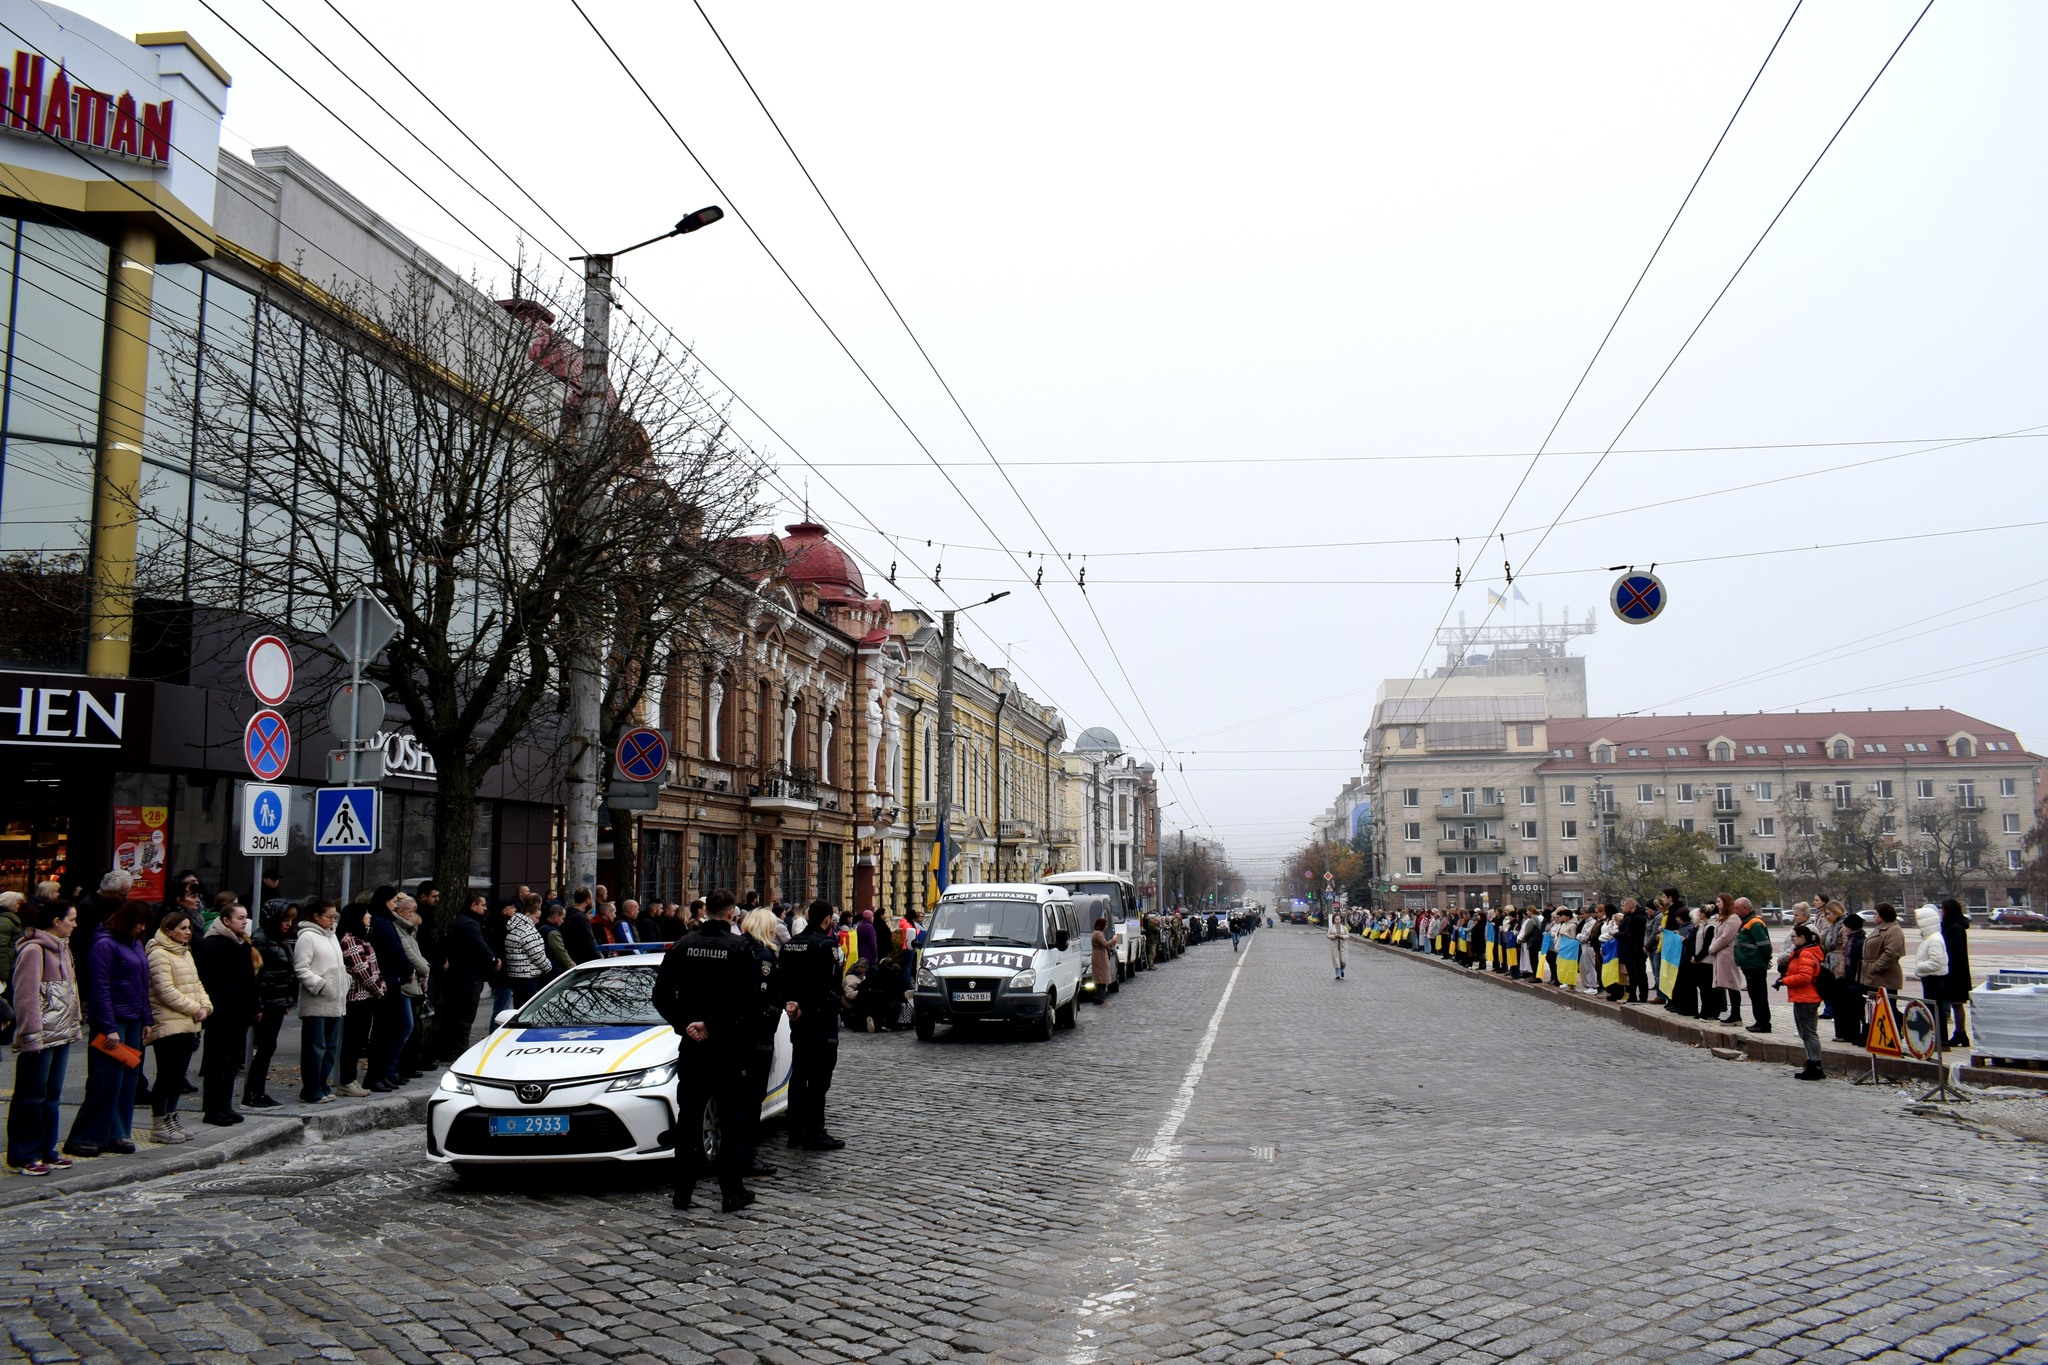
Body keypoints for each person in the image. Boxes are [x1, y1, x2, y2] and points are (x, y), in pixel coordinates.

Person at [652, 889, 758, 1213]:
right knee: (730, 1120)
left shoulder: (682, 947)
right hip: (727, 1046)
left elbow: (661, 995)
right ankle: (731, 1192)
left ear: (706, 911)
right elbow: (748, 999)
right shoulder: (741, 949)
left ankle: (682, 1192)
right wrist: (711, 1023)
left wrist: (687, 1023)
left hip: (694, 1047)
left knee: (689, 1120)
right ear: (731, 915)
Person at [64, 900, 155, 1157]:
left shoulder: (134, 943)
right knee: (107, 1080)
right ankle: (86, 1135)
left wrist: (146, 1018)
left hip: (132, 1019)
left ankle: (117, 1133)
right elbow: (99, 989)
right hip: (113, 1021)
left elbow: (142, 984)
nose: (142, 928)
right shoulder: (105, 944)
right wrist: (108, 1025)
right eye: (139, 922)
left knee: (127, 1080)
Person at [7, 901, 82, 1175]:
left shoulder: (63, 948)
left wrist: (74, 1025)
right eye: (71, 919)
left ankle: (47, 1149)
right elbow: (25, 996)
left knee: (52, 1096)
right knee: (31, 1096)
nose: (74, 924)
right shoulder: (34, 950)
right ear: (55, 921)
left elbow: (71, 992)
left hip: (59, 1033)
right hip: (40, 1036)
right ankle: (22, 1155)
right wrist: (30, 1034)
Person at [146, 909, 212, 1145]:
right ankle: (159, 1122)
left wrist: (205, 1005)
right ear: (169, 930)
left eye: (188, 928)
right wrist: (195, 1008)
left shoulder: (184, 953)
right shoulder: (159, 954)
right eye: (182, 928)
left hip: (188, 1022)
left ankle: (172, 1117)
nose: (187, 932)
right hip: (169, 1023)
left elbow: (196, 983)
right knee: (167, 1074)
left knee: (177, 1076)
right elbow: (165, 991)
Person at [782, 900, 844, 1150]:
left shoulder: (791, 944)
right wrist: (808, 1007)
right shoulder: (826, 945)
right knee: (819, 1080)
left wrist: (793, 1004)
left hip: (796, 1018)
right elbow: (828, 987)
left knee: (799, 1077)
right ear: (827, 919)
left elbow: (784, 980)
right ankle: (816, 1131)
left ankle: (795, 1132)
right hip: (820, 1020)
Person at [736, 907, 792, 1179]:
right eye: (772, 927)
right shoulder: (761, 955)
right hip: (756, 1037)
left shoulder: (738, 949)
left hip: (738, 1036)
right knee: (751, 1099)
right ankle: (746, 1157)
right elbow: (763, 996)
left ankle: (739, 1154)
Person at [194, 899, 259, 1126]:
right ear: (225, 920)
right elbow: (209, 979)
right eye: (240, 918)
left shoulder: (241, 943)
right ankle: (213, 1109)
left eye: (245, 917)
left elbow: (249, 978)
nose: (244, 922)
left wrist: (253, 1006)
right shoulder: (212, 944)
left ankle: (226, 1105)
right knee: (218, 1061)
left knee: (232, 1062)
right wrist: (234, 995)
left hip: (239, 1012)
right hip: (222, 1011)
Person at [292, 899, 347, 1103]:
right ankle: (311, 1088)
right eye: (329, 917)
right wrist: (321, 985)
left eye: (335, 917)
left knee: (330, 1048)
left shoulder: (332, 936)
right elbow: (301, 969)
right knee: (316, 1048)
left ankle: (322, 1084)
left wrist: (343, 983)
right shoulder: (307, 937)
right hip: (317, 1001)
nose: (333, 920)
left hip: (335, 1001)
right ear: (316, 916)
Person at [246, 902, 297, 1108]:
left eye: (290, 921)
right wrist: (258, 1005)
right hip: (267, 1002)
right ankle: (253, 1093)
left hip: (276, 1001)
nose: (288, 924)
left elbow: (286, 973)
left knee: (268, 1046)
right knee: (264, 1047)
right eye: (285, 920)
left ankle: (257, 1091)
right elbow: (257, 977)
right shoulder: (261, 940)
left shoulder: (279, 939)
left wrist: (287, 1000)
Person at [437, 892, 497, 1061]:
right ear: (473, 906)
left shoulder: (467, 922)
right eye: (482, 905)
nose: (485, 909)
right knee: (464, 1015)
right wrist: (492, 960)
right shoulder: (469, 924)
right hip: (468, 976)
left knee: (459, 1014)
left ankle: (452, 1049)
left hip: (464, 975)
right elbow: (480, 946)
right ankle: (460, 1050)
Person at [334, 903, 387, 1098]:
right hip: (357, 997)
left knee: (358, 1040)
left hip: (368, 996)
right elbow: (361, 970)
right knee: (352, 1040)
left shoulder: (362, 936)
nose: (369, 916)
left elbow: (374, 966)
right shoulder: (350, 939)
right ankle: (346, 1080)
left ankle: (351, 1078)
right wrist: (378, 989)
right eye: (366, 913)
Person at [1777, 923, 1827, 1081]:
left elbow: (1805, 977)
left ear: (1802, 938)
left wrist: (1784, 981)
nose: (1792, 940)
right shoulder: (1803, 951)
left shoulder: (1805, 953)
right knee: (1805, 1033)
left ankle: (1816, 1065)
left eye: (1793, 937)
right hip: (1802, 996)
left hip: (1807, 997)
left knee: (1809, 1033)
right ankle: (1811, 1063)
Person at [1933, 899, 1972, 1048]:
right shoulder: (1952, 925)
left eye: (1942, 908)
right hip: (1954, 970)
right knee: (1955, 1003)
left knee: (1957, 1003)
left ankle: (1961, 1033)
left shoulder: (1956, 928)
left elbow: (1953, 951)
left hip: (1956, 971)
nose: (1940, 911)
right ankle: (1960, 1033)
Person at [1907, 903, 1950, 1040]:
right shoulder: (1930, 938)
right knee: (1932, 1009)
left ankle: (1941, 1039)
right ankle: (1937, 1037)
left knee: (1936, 1010)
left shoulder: (1934, 939)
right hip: (1930, 978)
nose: (1918, 925)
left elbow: (1937, 962)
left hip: (1934, 978)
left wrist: (1919, 967)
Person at [1732, 897, 1773, 1034]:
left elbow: (1764, 946)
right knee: (1754, 994)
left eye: (1737, 908)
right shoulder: (1747, 922)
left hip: (1755, 964)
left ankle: (1763, 1023)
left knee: (1758, 995)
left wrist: (1765, 960)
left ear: (1745, 908)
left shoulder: (1754, 923)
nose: (1735, 911)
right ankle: (1760, 1021)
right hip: (1750, 964)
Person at [1860, 903, 1907, 1022]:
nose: (1874, 916)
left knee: (1888, 1008)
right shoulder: (1881, 927)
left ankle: (1894, 1033)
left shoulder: (1893, 930)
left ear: (1884, 915)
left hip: (1885, 976)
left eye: (1876, 914)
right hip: (1873, 976)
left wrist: (1876, 967)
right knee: (1875, 1008)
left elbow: (1891, 953)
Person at [501, 899, 551, 1005]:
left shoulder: (513, 928)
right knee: (527, 1007)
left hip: (515, 975)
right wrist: (548, 967)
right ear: (528, 915)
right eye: (536, 917)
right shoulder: (527, 930)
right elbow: (537, 954)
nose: (537, 921)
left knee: (518, 1006)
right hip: (528, 975)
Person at [1830, 912, 1868, 1044]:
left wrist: (1849, 973)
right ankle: (1851, 1034)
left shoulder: (1857, 941)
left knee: (1856, 1009)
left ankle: (1856, 1034)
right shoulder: (1853, 939)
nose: (1844, 929)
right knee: (1850, 1008)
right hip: (1849, 977)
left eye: (1846, 927)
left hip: (1854, 979)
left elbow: (1853, 960)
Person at [1705, 896, 1743, 1025]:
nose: (1716, 903)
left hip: (1728, 955)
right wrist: (1712, 947)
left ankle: (1736, 1015)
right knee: (1722, 983)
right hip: (1719, 954)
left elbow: (1726, 937)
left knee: (1732, 984)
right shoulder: (1721, 918)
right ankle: (1724, 1012)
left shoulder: (1733, 919)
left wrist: (1713, 948)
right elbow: (1716, 935)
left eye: (1719, 901)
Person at [1620, 898, 1649, 1004]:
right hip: (1630, 949)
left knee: (1640, 973)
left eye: (1624, 905)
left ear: (1630, 905)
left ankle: (1643, 996)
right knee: (1632, 974)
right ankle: (1632, 995)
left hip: (1637, 949)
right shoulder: (1629, 917)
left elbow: (1637, 936)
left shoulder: (1639, 918)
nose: (1622, 908)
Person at [562, 889, 601, 964]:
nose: (593, 901)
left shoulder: (569, 913)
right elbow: (589, 939)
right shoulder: (580, 918)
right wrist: (599, 956)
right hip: (583, 960)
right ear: (587, 900)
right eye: (592, 898)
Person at [1090, 916, 1116, 1003]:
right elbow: (1105, 944)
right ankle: (1100, 997)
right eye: (1104, 925)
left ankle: (1100, 997)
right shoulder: (1098, 934)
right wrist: (1113, 940)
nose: (1105, 927)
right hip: (1100, 957)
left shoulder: (1096, 933)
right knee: (1101, 978)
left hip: (1099, 956)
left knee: (1100, 978)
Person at [1327, 906, 1348, 980]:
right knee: (1336, 960)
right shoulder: (1331, 928)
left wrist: (1343, 936)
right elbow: (1328, 935)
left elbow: (1348, 935)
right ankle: (1337, 974)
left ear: (1340, 920)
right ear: (1334, 920)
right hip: (1335, 945)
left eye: (1338, 919)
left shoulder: (1344, 928)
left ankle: (1342, 970)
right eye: (1336, 919)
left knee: (1343, 960)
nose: (1337, 920)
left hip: (1342, 945)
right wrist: (1334, 936)